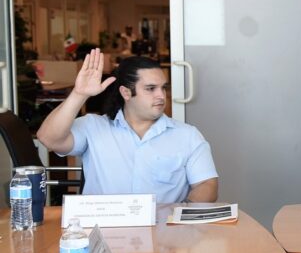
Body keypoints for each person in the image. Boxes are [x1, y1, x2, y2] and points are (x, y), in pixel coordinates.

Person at [37, 49, 218, 203]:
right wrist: (79, 94)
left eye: (163, 88)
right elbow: (48, 139)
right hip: (103, 231)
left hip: (164, 230)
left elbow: (207, 184)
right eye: (150, 88)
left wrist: (179, 216)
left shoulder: (187, 135)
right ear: (126, 93)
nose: (161, 96)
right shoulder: (93, 127)